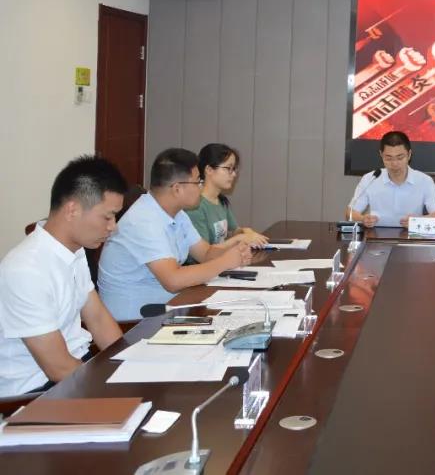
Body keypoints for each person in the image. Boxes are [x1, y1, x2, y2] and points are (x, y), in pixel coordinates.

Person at [0, 156, 127, 396]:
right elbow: (57, 368)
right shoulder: (25, 270)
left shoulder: (74, 250)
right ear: (72, 210)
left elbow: (98, 319)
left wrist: (128, 365)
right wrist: (115, 389)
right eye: (108, 217)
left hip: (79, 367)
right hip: (37, 393)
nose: (113, 227)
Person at [98, 148, 253, 320]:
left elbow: (205, 253)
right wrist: (225, 261)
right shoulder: (143, 220)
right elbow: (173, 281)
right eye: (198, 182)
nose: (201, 187)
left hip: (168, 307)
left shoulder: (177, 214)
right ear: (177, 189)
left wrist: (236, 252)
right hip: (135, 322)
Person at [345, 131, 435, 228]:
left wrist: (417, 222)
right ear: (381, 155)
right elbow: (350, 213)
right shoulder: (370, 179)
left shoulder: (425, 181)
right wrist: (362, 219)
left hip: (411, 236)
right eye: (388, 158)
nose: (394, 164)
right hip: (376, 236)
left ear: (409, 154)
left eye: (400, 158)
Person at [185, 143, 268, 248]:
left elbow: (233, 231)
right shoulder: (195, 206)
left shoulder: (221, 200)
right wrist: (239, 238)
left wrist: (244, 231)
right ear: (209, 169)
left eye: (234, 169)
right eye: (228, 168)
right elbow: (204, 252)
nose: (234, 174)